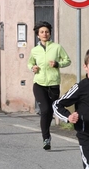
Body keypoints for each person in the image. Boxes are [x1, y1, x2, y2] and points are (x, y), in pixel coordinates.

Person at [27, 21, 71, 150]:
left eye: (46, 31)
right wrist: (32, 68)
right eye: (41, 32)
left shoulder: (57, 47)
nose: (44, 34)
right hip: (39, 83)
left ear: (50, 33)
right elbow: (29, 63)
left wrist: (57, 64)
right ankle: (46, 137)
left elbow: (67, 60)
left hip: (53, 84)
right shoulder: (34, 50)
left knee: (50, 111)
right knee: (45, 110)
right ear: (38, 35)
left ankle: (47, 135)